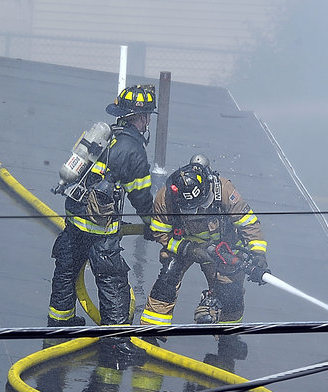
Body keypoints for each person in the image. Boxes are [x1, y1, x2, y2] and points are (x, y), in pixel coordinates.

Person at [48, 85, 156, 363]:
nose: (147, 122)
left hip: (75, 214)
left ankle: (60, 324)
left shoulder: (104, 136)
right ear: (139, 117)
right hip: (100, 225)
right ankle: (116, 343)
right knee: (111, 279)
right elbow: (141, 197)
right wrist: (152, 225)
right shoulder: (134, 150)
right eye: (146, 116)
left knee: (66, 269)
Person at [140, 155, 269, 335]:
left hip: (222, 248)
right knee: (167, 279)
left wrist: (258, 255)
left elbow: (248, 224)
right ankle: (151, 332)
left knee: (231, 293)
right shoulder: (166, 198)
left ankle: (228, 336)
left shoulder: (224, 190)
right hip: (184, 245)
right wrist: (188, 249)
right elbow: (160, 232)